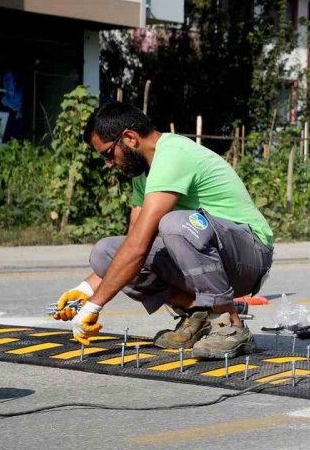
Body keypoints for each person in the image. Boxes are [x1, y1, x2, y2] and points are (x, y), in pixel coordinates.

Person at [52, 102, 274, 359]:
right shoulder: (142, 173)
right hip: (214, 255)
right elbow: (132, 244)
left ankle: (230, 324)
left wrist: (95, 305)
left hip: (249, 254)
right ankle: (198, 315)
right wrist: (86, 289)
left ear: (130, 138)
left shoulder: (173, 155)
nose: (109, 164)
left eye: (108, 154)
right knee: (106, 253)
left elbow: (138, 248)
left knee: (176, 225)